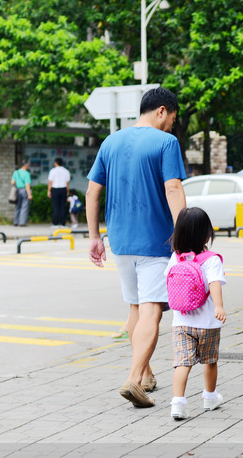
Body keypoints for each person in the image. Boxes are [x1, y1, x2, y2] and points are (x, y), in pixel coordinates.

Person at [86, 87, 187, 408]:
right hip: (156, 242)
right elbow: (173, 188)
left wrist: (94, 237)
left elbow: (91, 193)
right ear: (161, 111)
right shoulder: (166, 143)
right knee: (152, 311)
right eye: (171, 119)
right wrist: (185, 234)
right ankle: (133, 379)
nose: (171, 126)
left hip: (120, 241)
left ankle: (145, 374)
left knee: (135, 309)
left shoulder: (110, 142)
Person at [165, 207, 226, 419]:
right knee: (209, 360)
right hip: (207, 323)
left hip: (180, 322)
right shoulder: (211, 259)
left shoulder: (176, 258)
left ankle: (177, 404)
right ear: (207, 233)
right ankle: (210, 398)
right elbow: (215, 283)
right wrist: (219, 306)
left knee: (182, 363)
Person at [47, 157, 70, 228]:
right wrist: (67, 192)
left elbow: (50, 182)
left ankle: (55, 224)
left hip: (55, 189)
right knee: (63, 207)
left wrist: (48, 191)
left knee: (56, 207)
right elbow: (67, 183)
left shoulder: (52, 171)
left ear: (56, 163)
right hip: (63, 189)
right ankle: (63, 224)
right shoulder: (66, 171)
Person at [11, 160, 32, 227]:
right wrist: (29, 194)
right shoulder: (26, 173)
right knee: (24, 206)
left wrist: (18, 181)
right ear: (26, 165)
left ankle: (16, 222)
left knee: (18, 206)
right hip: (24, 190)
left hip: (17, 190)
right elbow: (27, 185)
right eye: (28, 165)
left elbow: (12, 182)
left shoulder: (16, 172)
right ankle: (22, 223)